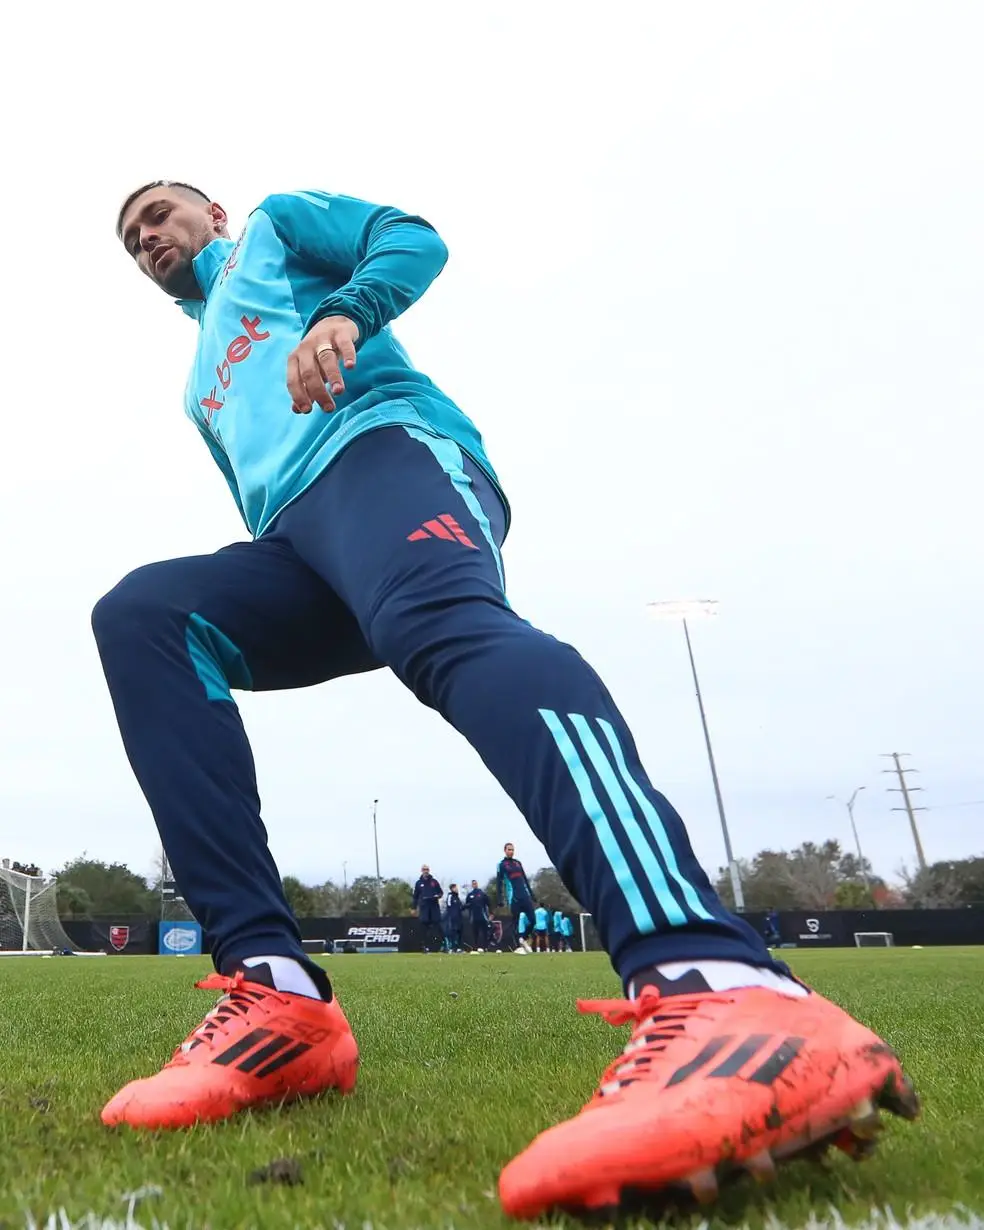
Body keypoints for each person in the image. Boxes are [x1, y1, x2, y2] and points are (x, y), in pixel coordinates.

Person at [95, 180, 917, 1217]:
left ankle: (717, 979)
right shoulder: (197, 378)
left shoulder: (272, 227)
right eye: (130, 239)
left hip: (387, 457)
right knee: (145, 618)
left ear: (211, 211)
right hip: (300, 539)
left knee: (440, 629)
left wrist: (346, 311)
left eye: (159, 213)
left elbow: (412, 236)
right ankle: (278, 999)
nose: (146, 237)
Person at [496, 842, 537, 942]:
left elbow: (525, 879)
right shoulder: (502, 865)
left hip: (524, 895)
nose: (511, 851)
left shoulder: (518, 863)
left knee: (533, 920)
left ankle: (523, 938)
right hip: (513, 896)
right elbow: (499, 883)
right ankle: (517, 946)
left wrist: (532, 894)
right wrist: (499, 899)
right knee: (516, 922)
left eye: (512, 849)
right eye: (509, 849)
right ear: (505, 851)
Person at [412, 865, 443, 951]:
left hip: (434, 907)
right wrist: (414, 908)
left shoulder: (434, 882)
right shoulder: (418, 883)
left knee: (437, 926)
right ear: (421, 871)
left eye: (427, 869)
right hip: (424, 908)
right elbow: (415, 896)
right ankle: (424, 947)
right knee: (424, 928)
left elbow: (440, 892)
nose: (426, 871)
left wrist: (438, 896)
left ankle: (441, 946)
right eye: (424, 869)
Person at [464, 879, 491, 950]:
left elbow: (488, 903)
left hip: (483, 917)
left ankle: (486, 947)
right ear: (472, 885)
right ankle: (475, 947)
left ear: (477, 884)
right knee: (475, 933)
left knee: (485, 933)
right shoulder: (470, 895)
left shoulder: (482, 893)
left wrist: (491, 913)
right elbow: (467, 905)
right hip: (474, 917)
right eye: (473, 884)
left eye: (475, 883)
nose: (474, 885)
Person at [443, 884, 464, 952]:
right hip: (453, 918)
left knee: (460, 932)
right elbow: (449, 906)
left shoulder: (457, 897)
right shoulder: (450, 896)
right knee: (453, 932)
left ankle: (459, 948)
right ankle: (453, 948)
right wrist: (451, 915)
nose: (457, 889)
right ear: (452, 889)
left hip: (459, 917)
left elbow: (461, 907)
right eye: (455, 888)